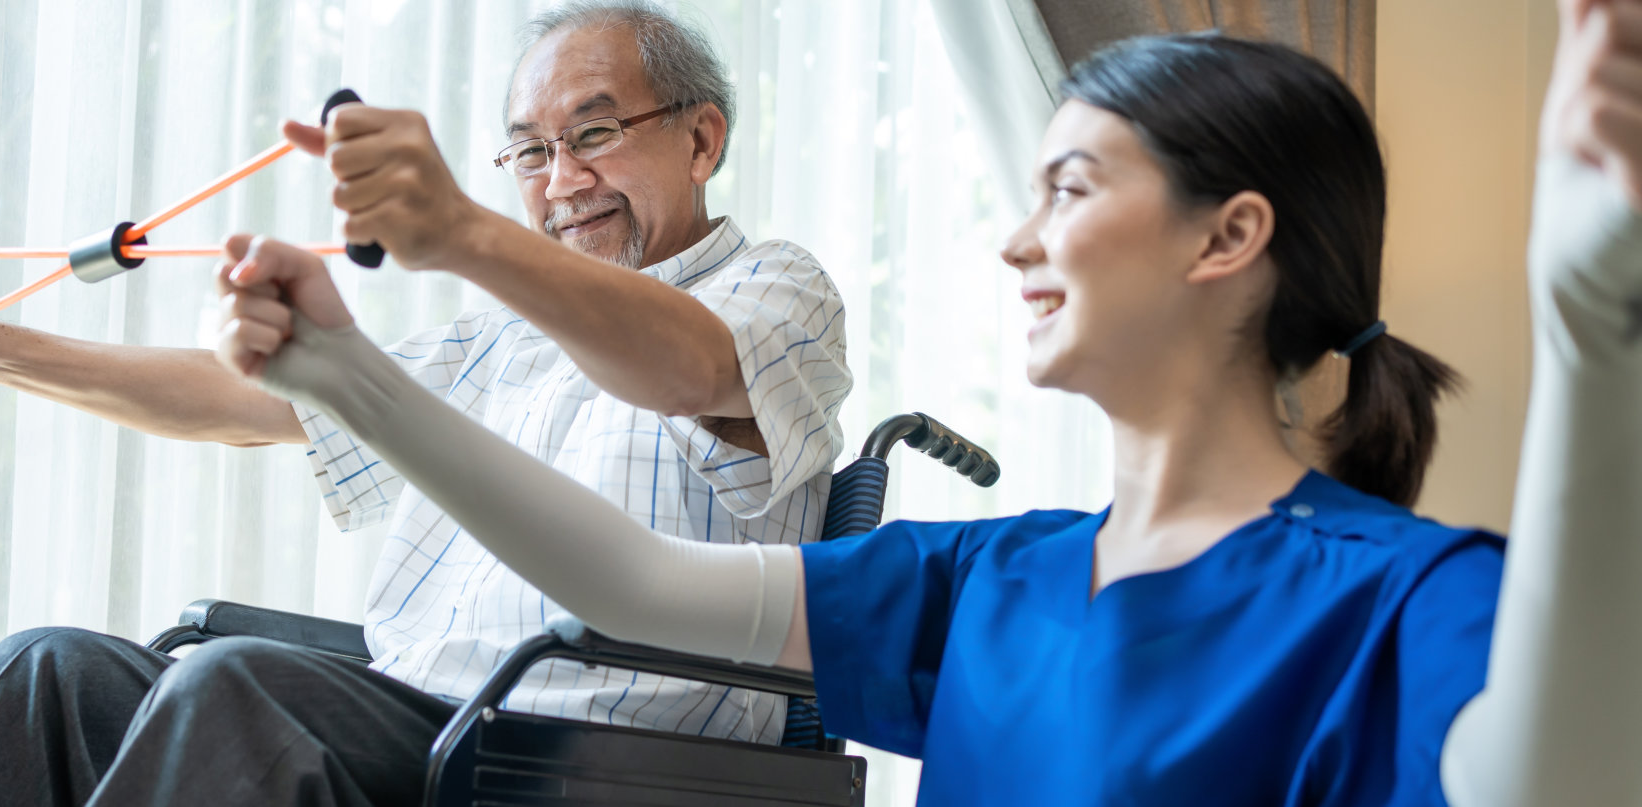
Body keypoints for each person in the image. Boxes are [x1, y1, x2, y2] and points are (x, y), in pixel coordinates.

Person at [220, 28, 1627, 806]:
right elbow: (628, 580)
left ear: (1227, 237)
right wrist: (350, 380)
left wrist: (1589, 332)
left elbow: (1551, 785)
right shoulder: (992, 576)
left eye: (1070, 190)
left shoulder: (1404, 596)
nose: (1017, 244)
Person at [0, 2, 850, 805]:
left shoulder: (772, 292)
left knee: (235, 686)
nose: (562, 183)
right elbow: (240, 400)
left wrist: (458, 230)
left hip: (603, 760)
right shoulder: (494, 341)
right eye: (529, 155)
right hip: (418, 722)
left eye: (591, 134)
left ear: (701, 140)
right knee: (47, 675)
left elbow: (683, 366)